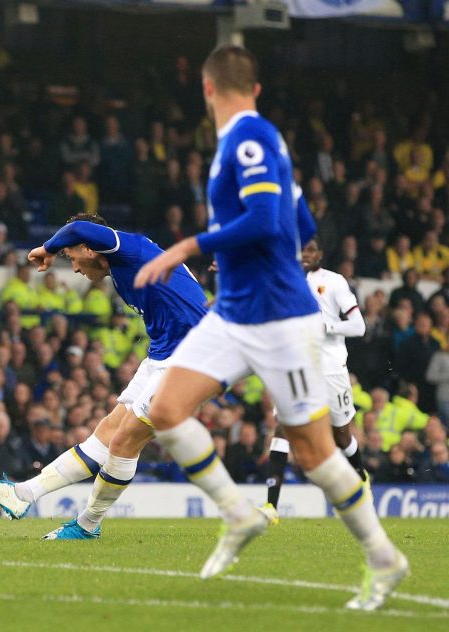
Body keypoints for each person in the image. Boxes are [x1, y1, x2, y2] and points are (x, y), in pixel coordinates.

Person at [132, 45, 406, 610]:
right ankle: (238, 515)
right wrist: (249, 257)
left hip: (281, 318)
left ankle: (385, 558)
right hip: (234, 309)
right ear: (253, 88)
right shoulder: (265, 140)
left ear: (207, 90)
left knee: (315, 453)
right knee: (164, 410)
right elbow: (300, 221)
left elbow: (262, 217)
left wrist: (190, 245)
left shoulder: (247, 140)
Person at [0, 213, 207, 539]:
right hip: (162, 357)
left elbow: (79, 228)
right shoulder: (122, 270)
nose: (75, 269)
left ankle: (87, 525)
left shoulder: (130, 249)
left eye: (72, 257)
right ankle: (22, 494)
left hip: (193, 359)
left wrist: (49, 248)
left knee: (125, 439)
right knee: (106, 434)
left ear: (89, 248)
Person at [261, 236, 368, 523]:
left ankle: (361, 476)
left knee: (342, 435)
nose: (306, 254)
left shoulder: (334, 282)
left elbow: (359, 326)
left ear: (321, 253)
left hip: (331, 367)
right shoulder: (284, 280)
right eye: (302, 250)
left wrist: (327, 326)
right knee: (283, 428)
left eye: (311, 250)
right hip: (296, 365)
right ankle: (271, 506)